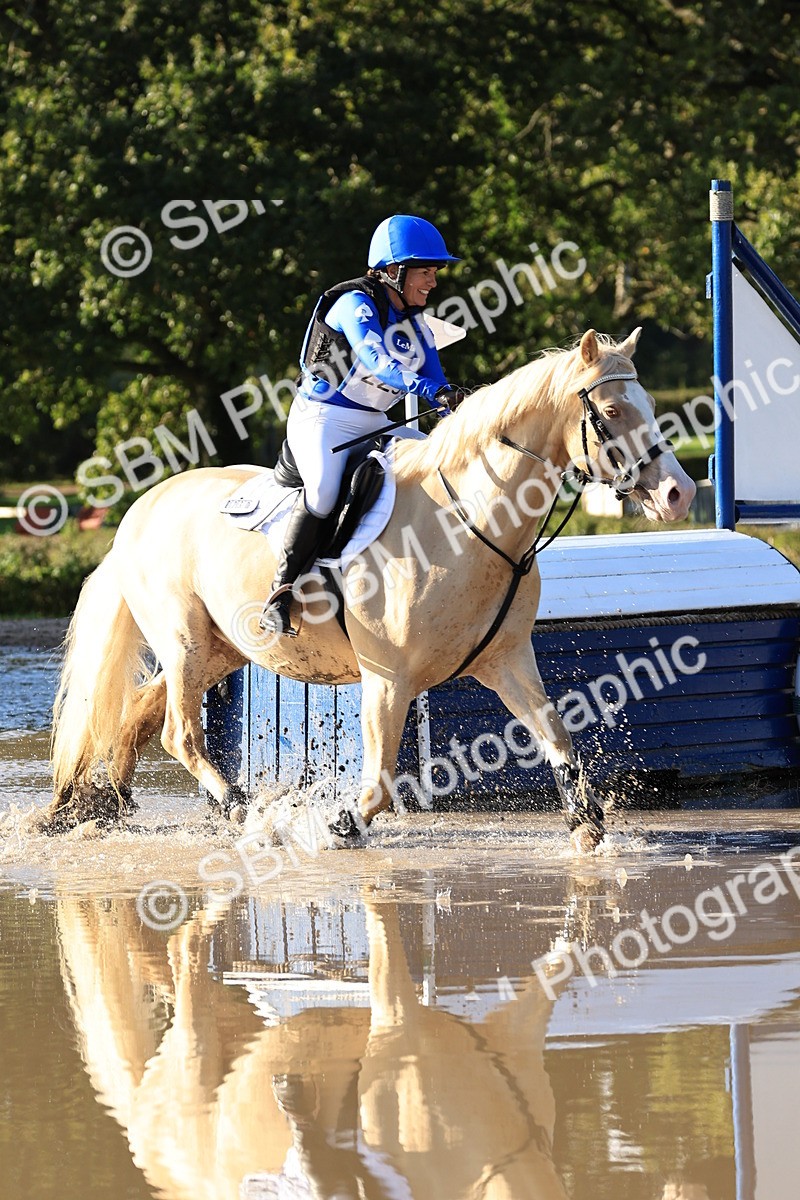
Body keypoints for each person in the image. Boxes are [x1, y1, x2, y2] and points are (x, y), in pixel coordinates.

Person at [260, 214, 462, 636]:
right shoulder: (355, 304)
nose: (433, 283)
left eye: (434, 273)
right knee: (323, 492)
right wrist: (429, 390)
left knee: (434, 465)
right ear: (393, 270)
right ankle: (280, 592)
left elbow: (440, 382)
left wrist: (457, 411)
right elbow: (378, 363)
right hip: (323, 419)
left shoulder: (418, 324)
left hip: (374, 420)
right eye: (425, 272)